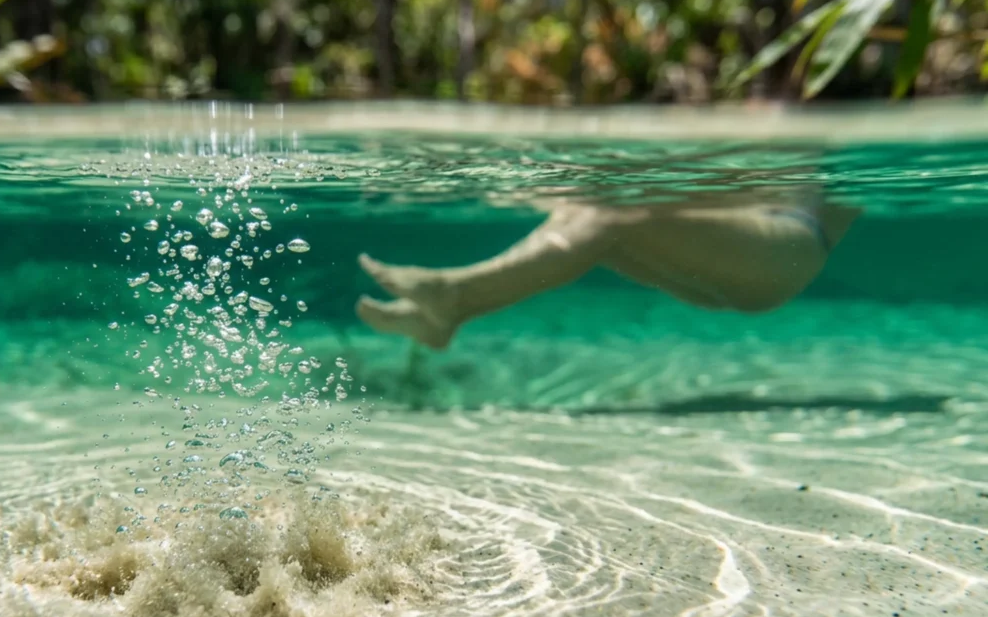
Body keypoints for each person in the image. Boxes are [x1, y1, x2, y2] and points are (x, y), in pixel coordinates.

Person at [354, 188, 861, 350]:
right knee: (589, 216)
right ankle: (450, 311)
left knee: (612, 209)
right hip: (756, 255)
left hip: (788, 244)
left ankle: (454, 295)